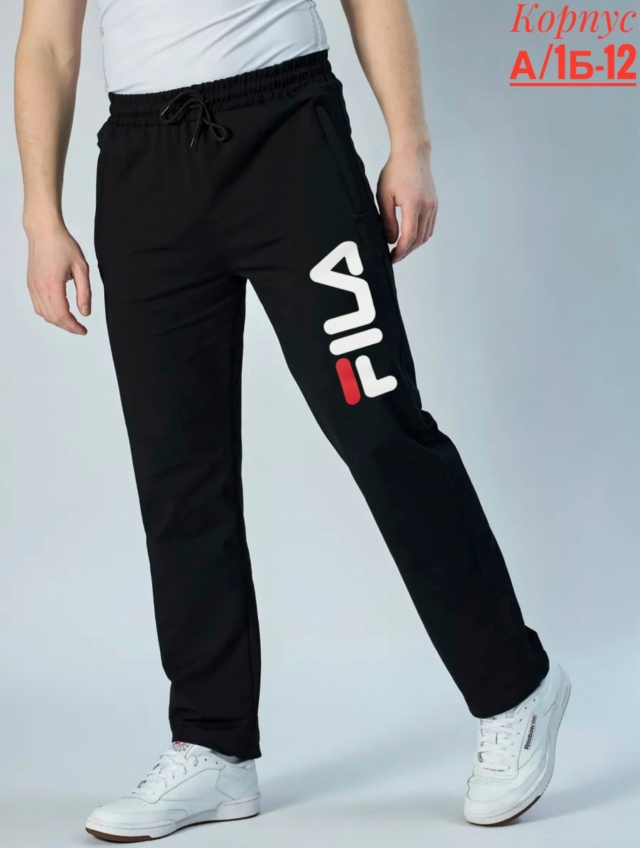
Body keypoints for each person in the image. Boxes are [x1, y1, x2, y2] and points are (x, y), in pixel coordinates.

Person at [15, 0, 570, 840]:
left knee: (379, 430)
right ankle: (213, 744)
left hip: (287, 144)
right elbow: (49, 43)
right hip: (143, 166)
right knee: (178, 471)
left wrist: (410, 144)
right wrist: (40, 215)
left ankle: (516, 691)